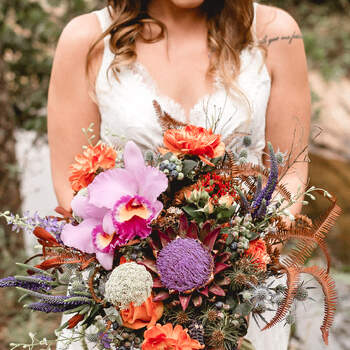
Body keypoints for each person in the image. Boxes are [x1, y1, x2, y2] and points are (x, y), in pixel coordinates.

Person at [48, 0, 310, 349]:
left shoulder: (277, 33)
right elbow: (72, 184)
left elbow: (290, 168)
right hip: (125, 299)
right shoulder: (86, 39)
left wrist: (245, 255)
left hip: (242, 298)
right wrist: (139, 272)